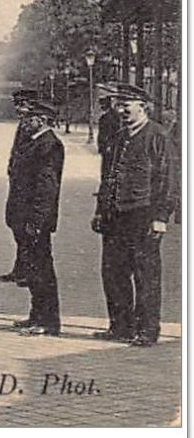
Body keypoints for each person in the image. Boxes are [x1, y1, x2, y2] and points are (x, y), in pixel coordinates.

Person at [92, 83, 179, 346]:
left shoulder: (158, 137)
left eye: (126, 106)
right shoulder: (119, 137)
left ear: (143, 107)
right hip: (115, 217)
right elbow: (107, 178)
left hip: (143, 216)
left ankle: (147, 330)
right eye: (118, 106)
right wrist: (100, 211)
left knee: (145, 275)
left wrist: (161, 217)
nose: (121, 110)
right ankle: (120, 327)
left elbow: (169, 181)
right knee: (114, 273)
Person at [11, 101, 64, 335]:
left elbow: (46, 189)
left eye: (29, 118)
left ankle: (48, 322)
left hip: (35, 221)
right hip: (26, 219)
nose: (24, 122)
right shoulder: (36, 142)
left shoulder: (49, 145)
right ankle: (36, 316)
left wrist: (36, 220)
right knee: (34, 268)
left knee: (41, 269)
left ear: (41, 120)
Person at [0, 91, 40, 284]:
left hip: (27, 189)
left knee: (24, 232)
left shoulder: (31, 128)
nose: (18, 108)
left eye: (21, 105)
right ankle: (21, 268)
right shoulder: (23, 125)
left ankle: (27, 271)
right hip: (18, 185)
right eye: (17, 104)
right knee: (18, 229)